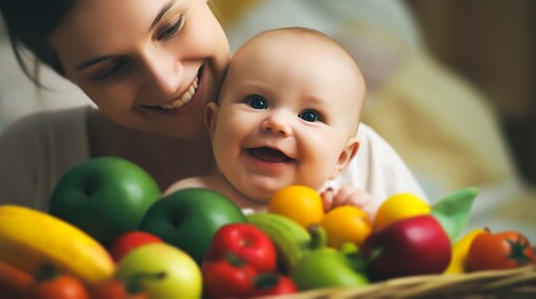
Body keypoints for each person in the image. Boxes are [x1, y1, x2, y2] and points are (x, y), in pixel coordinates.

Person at [0, 0, 427, 211]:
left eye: (170, 27)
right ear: (63, 71)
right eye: (110, 68)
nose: (167, 82)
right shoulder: (30, 162)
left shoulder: (355, 166)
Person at [166, 27, 424, 216]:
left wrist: (371, 223)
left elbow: (424, 243)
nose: (276, 122)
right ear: (214, 124)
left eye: (309, 116)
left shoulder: (346, 204)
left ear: (342, 158)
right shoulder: (189, 202)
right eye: (257, 102)